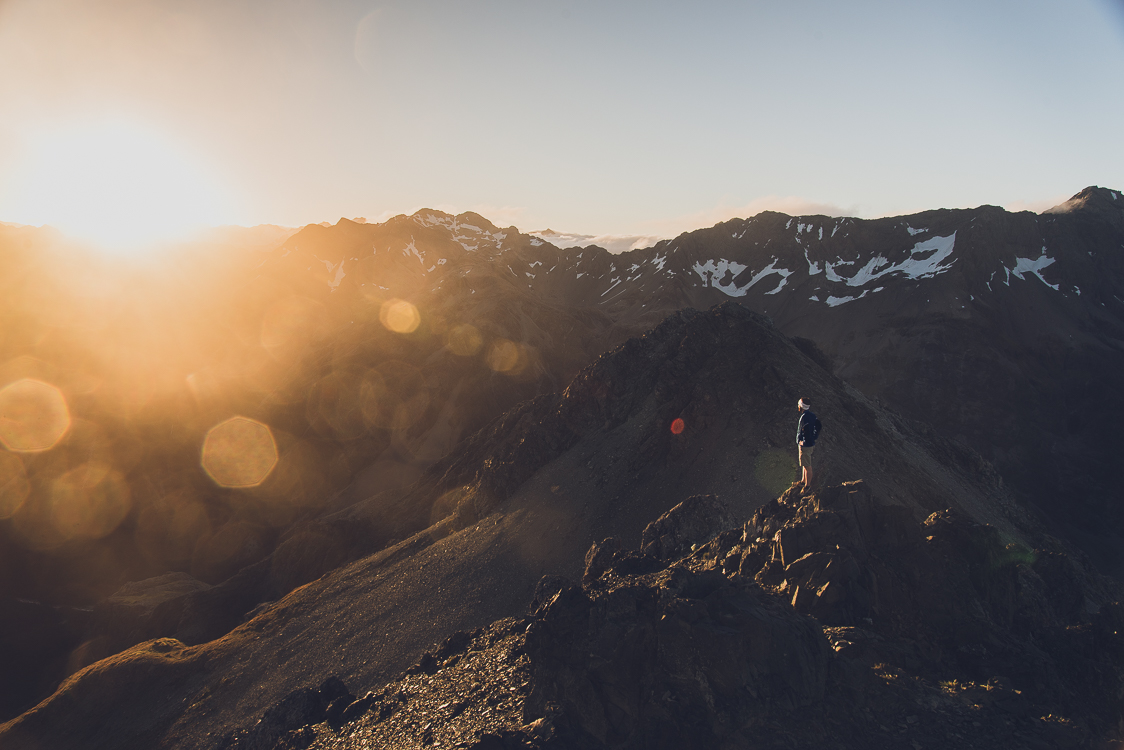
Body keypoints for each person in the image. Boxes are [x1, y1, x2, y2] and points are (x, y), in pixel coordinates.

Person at [796, 397, 820, 491]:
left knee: (807, 465)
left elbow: (805, 430)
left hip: (805, 445)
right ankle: (803, 481)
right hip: (809, 443)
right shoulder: (812, 415)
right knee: (805, 463)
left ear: (801, 406)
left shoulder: (804, 417)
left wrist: (803, 441)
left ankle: (807, 486)